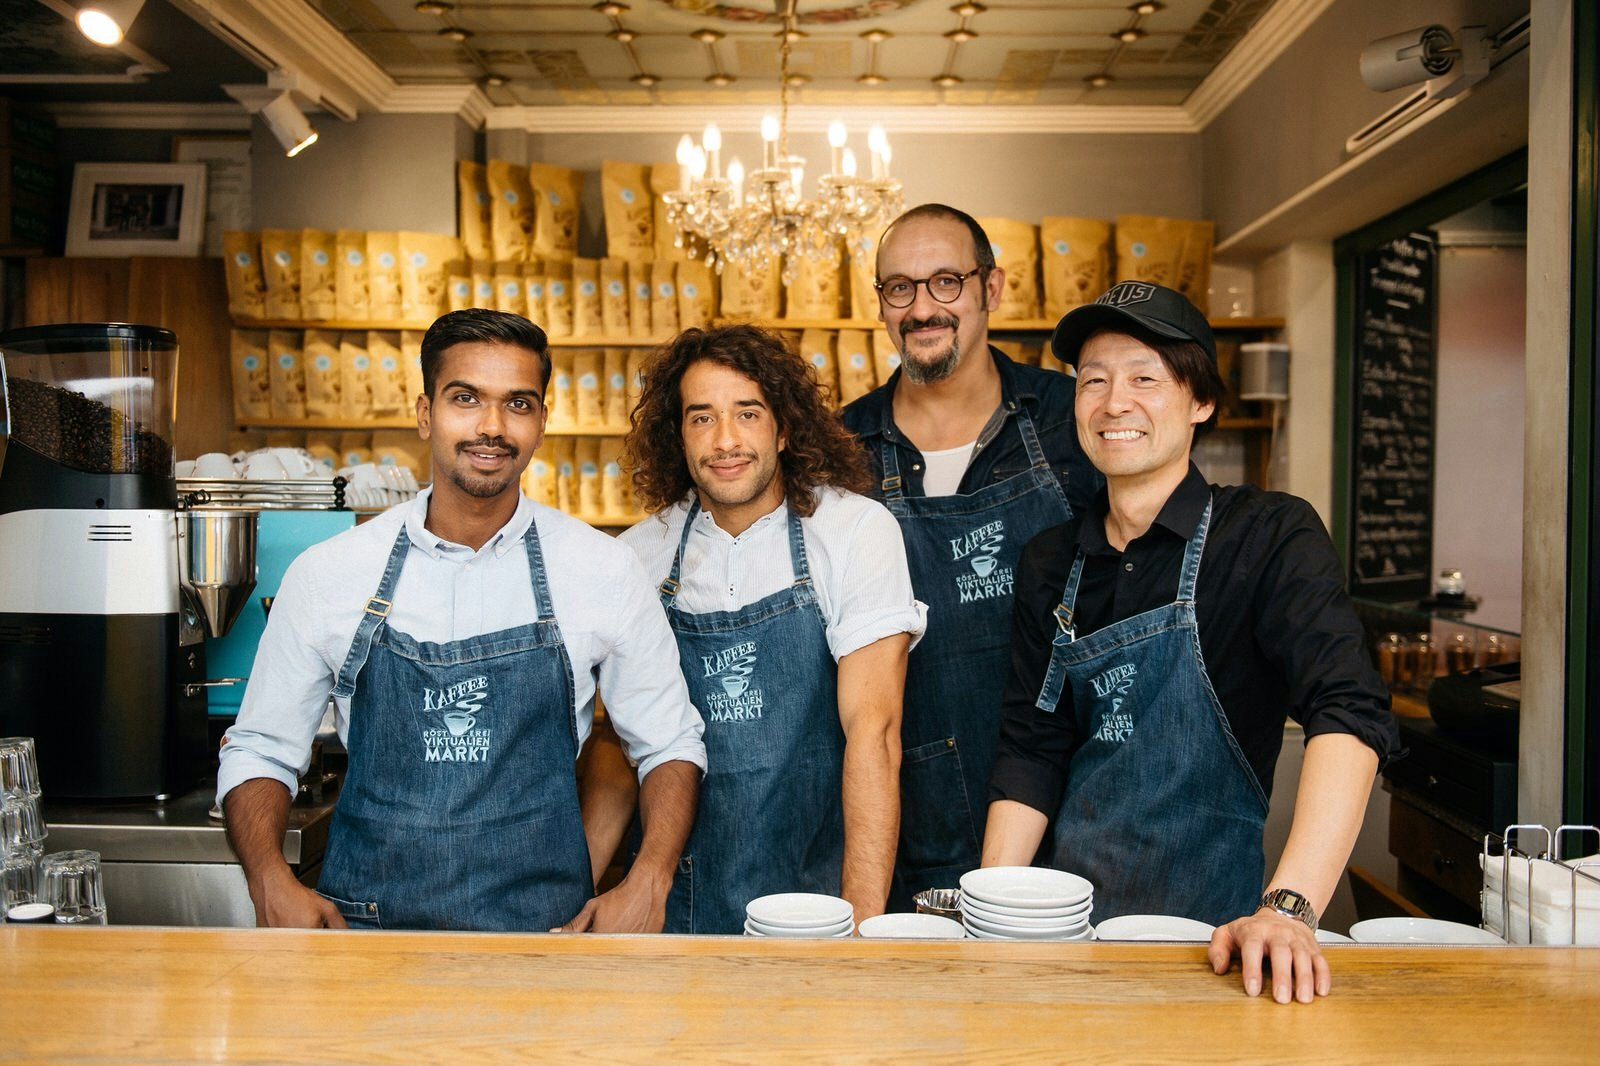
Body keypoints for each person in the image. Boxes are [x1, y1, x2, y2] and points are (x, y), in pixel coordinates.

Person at [218, 308, 705, 933]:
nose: (492, 427)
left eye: (519, 404)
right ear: (425, 413)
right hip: (363, 938)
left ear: (542, 422)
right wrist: (268, 878)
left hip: (545, 938)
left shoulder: (601, 569)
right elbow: (261, 748)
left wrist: (650, 881)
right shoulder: (330, 573)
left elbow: (667, 742)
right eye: (466, 398)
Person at [982, 281, 1402, 1003]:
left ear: (1200, 400)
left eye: (1145, 377)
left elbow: (1348, 711)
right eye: (1094, 380)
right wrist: (990, 917)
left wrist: (1289, 910)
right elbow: (1031, 748)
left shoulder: (1267, 536)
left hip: (1216, 947)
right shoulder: (1051, 561)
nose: (1115, 402)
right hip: (1067, 948)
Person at [606, 323, 925, 934]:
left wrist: (858, 927)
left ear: (783, 428)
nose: (725, 440)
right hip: (679, 906)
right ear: (678, 436)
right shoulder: (639, 555)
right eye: (701, 418)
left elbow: (875, 735)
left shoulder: (855, 531)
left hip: (818, 908)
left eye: (747, 413)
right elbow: (620, 747)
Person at [840, 204, 1100, 907]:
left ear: (993, 288)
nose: (923, 307)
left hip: (1071, 809)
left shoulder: (1073, 420)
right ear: (882, 305)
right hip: (905, 813)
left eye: (946, 281)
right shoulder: (838, 450)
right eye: (901, 288)